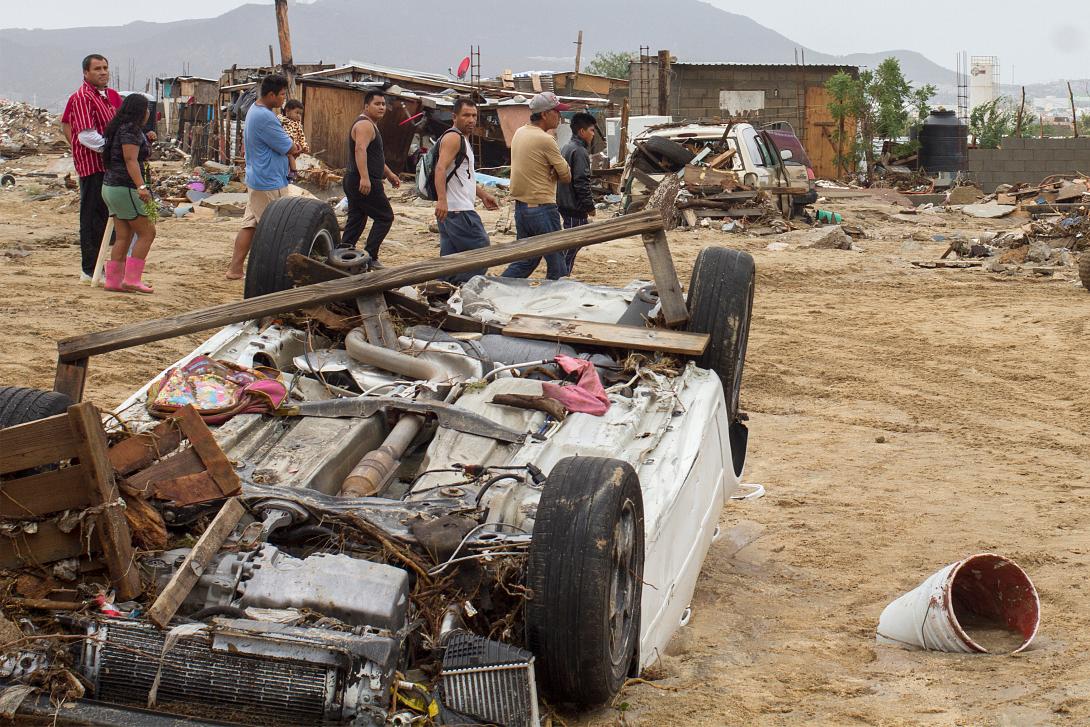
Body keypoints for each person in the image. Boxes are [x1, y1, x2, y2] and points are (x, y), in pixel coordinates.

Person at [226, 74, 301, 280]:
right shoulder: (265, 117)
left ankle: (235, 269)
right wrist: (296, 147)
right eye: (282, 95)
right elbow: (288, 146)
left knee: (250, 225)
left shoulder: (257, 111)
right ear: (271, 95)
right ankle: (270, 274)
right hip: (268, 181)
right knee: (275, 230)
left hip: (259, 177)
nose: (284, 99)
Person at [61, 54, 122, 282]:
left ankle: (98, 267)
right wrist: (112, 149)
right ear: (86, 73)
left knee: (102, 217)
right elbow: (86, 135)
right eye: (97, 68)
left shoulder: (106, 97)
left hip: (105, 166)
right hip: (92, 165)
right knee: (91, 217)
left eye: (105, 67)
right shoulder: (83, 97)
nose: (103, 72)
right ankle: (88, 269)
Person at [501, 92, 572, 280]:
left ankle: (497, 287)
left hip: (522, 207)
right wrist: (555, 171)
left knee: (526, 260)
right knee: (557, 263)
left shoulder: (519, 132)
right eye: (556, 112)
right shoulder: (546, 139)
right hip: (542, 207)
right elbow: (566, 175)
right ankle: (554, 301)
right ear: (544, 114)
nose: (559, 116)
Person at [434, 97, 499, 284]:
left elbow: (464, 176)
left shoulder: (462, 139)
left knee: (449, 259)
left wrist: (483, 195)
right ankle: (460, 286)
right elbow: (440, 168)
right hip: (458, 210)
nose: (471, 120)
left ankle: (441, 292)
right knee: (482, 251)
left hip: (452, 210)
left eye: (474, 116)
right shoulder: (453, 137)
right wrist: (442, 200)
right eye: (466, 115)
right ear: (454, 116)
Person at [99, 93, 156, 293]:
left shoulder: (119, 128)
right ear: (140, 111)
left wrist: (147, 140)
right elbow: (130, 159)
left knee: (124, 235)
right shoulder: (130, 130)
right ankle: (132, 279)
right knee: (147, 232)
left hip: (110, 186)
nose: (149, 112)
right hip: (125, 187)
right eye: (147, 108)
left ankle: (114, 281)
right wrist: (141, 187)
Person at [342, 90, 401, 268]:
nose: (381, 107)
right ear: (366, 106)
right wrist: (365, 178)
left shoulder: (369, 125)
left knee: (357, 218)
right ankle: (371, 256)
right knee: (385, 217)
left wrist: (389, 174)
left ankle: (343, 255)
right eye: (377, 104)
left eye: (383, 104)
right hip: (362, 180)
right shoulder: (365, 125)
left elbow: (372, 155)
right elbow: (360, 149)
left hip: (355, 178)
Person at [557, 112, 598, 275]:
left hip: (564, 204)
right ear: (582, 131)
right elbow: (581, 182)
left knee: (571, 245)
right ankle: (560, 277)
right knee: (572, 245)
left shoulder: (567, 147)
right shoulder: (579, 151)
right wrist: (589, 206)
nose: (593, 134)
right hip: (574, 207)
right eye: (592, 130)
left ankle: (562, 275)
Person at [279, 99, 309, 181]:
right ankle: (289, 172)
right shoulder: (281, 120)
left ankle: (293, 171)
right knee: (285, 159)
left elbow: (301, 136)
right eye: (297, 113)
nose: (299, 116)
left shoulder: (297, 124)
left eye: (300, 114)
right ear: (287, 111)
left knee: (290, 156)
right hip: (283, 145)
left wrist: (304, 146)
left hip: (294, 145)